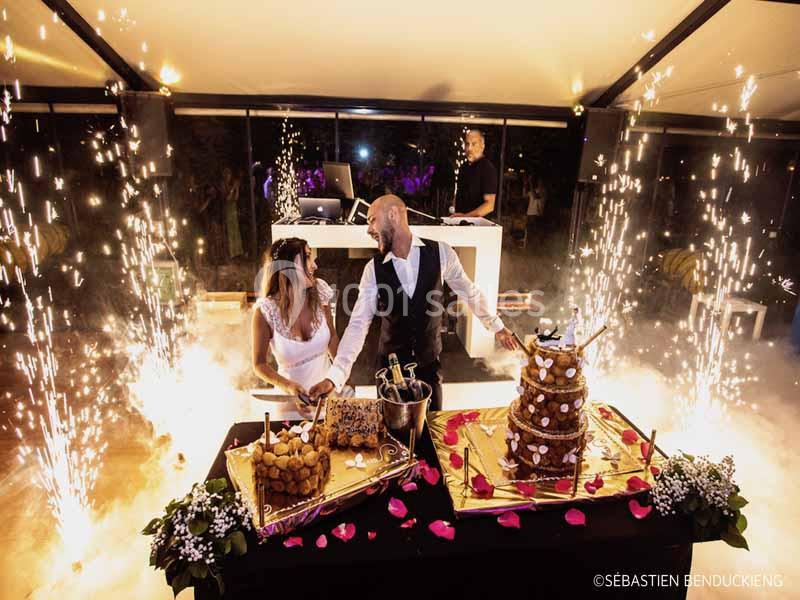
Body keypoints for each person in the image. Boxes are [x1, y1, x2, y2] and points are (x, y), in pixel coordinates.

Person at [309, 194, 517, 410]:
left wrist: (498, 327)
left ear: (393, 214)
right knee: (391, 431)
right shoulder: (373, 269)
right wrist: (334, 377)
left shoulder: (442, 253)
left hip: (429, 368)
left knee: (432, 428)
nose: (369, 230)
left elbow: (470, 292)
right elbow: (358, 325)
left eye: (372, 220)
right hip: (390, 374)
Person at [252, 238, 340, 412]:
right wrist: (289, 386)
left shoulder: (320, 292)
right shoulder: (265, 311)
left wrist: (341, 378)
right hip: (289, 405)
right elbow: (259, 364)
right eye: (307, 257)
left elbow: (332, 338)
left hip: (328, 400)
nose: (314, 265)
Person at [452, 129, 498, 218]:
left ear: (482, 146)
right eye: (467, 144)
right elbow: (459, 193)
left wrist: (465, 217)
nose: (469, 148)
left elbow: (489, 206)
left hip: (478, 225)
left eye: (474, 144)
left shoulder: (487, 168)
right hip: (460, 222)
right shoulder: (464, 167)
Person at [223, 167, 244, 260]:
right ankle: (232, 253)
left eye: (229, 175)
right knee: (230, 231)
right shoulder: (224, 186)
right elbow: (227, 198)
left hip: (233, 209)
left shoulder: (231, 185)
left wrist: (237, 188)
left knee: (236, 230)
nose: (228, 176)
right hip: (227, 210)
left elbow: (235, 198)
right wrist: (233, 189)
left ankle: (238, 252)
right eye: (227, 174)